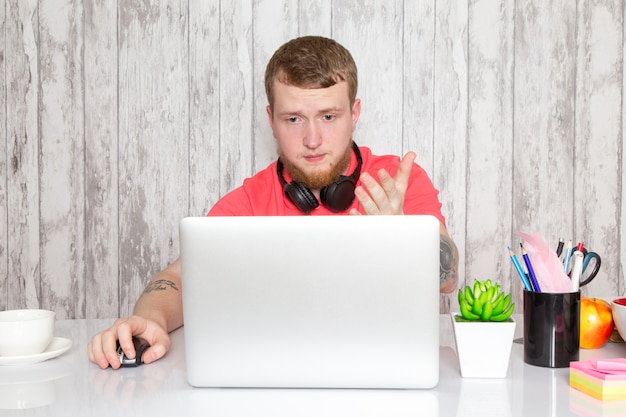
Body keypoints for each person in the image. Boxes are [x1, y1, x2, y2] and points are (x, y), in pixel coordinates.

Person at [88, 36, 459, 369]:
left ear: (355, 114)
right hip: (278, 379)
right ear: (271, 120)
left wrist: (401, 239)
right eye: (294, 118)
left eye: (329, 116)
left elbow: (448, 280)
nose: (313, 139)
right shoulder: (249, 200)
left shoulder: (395, 181)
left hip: (386, 368)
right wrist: (150, 321)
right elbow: (178, 278)